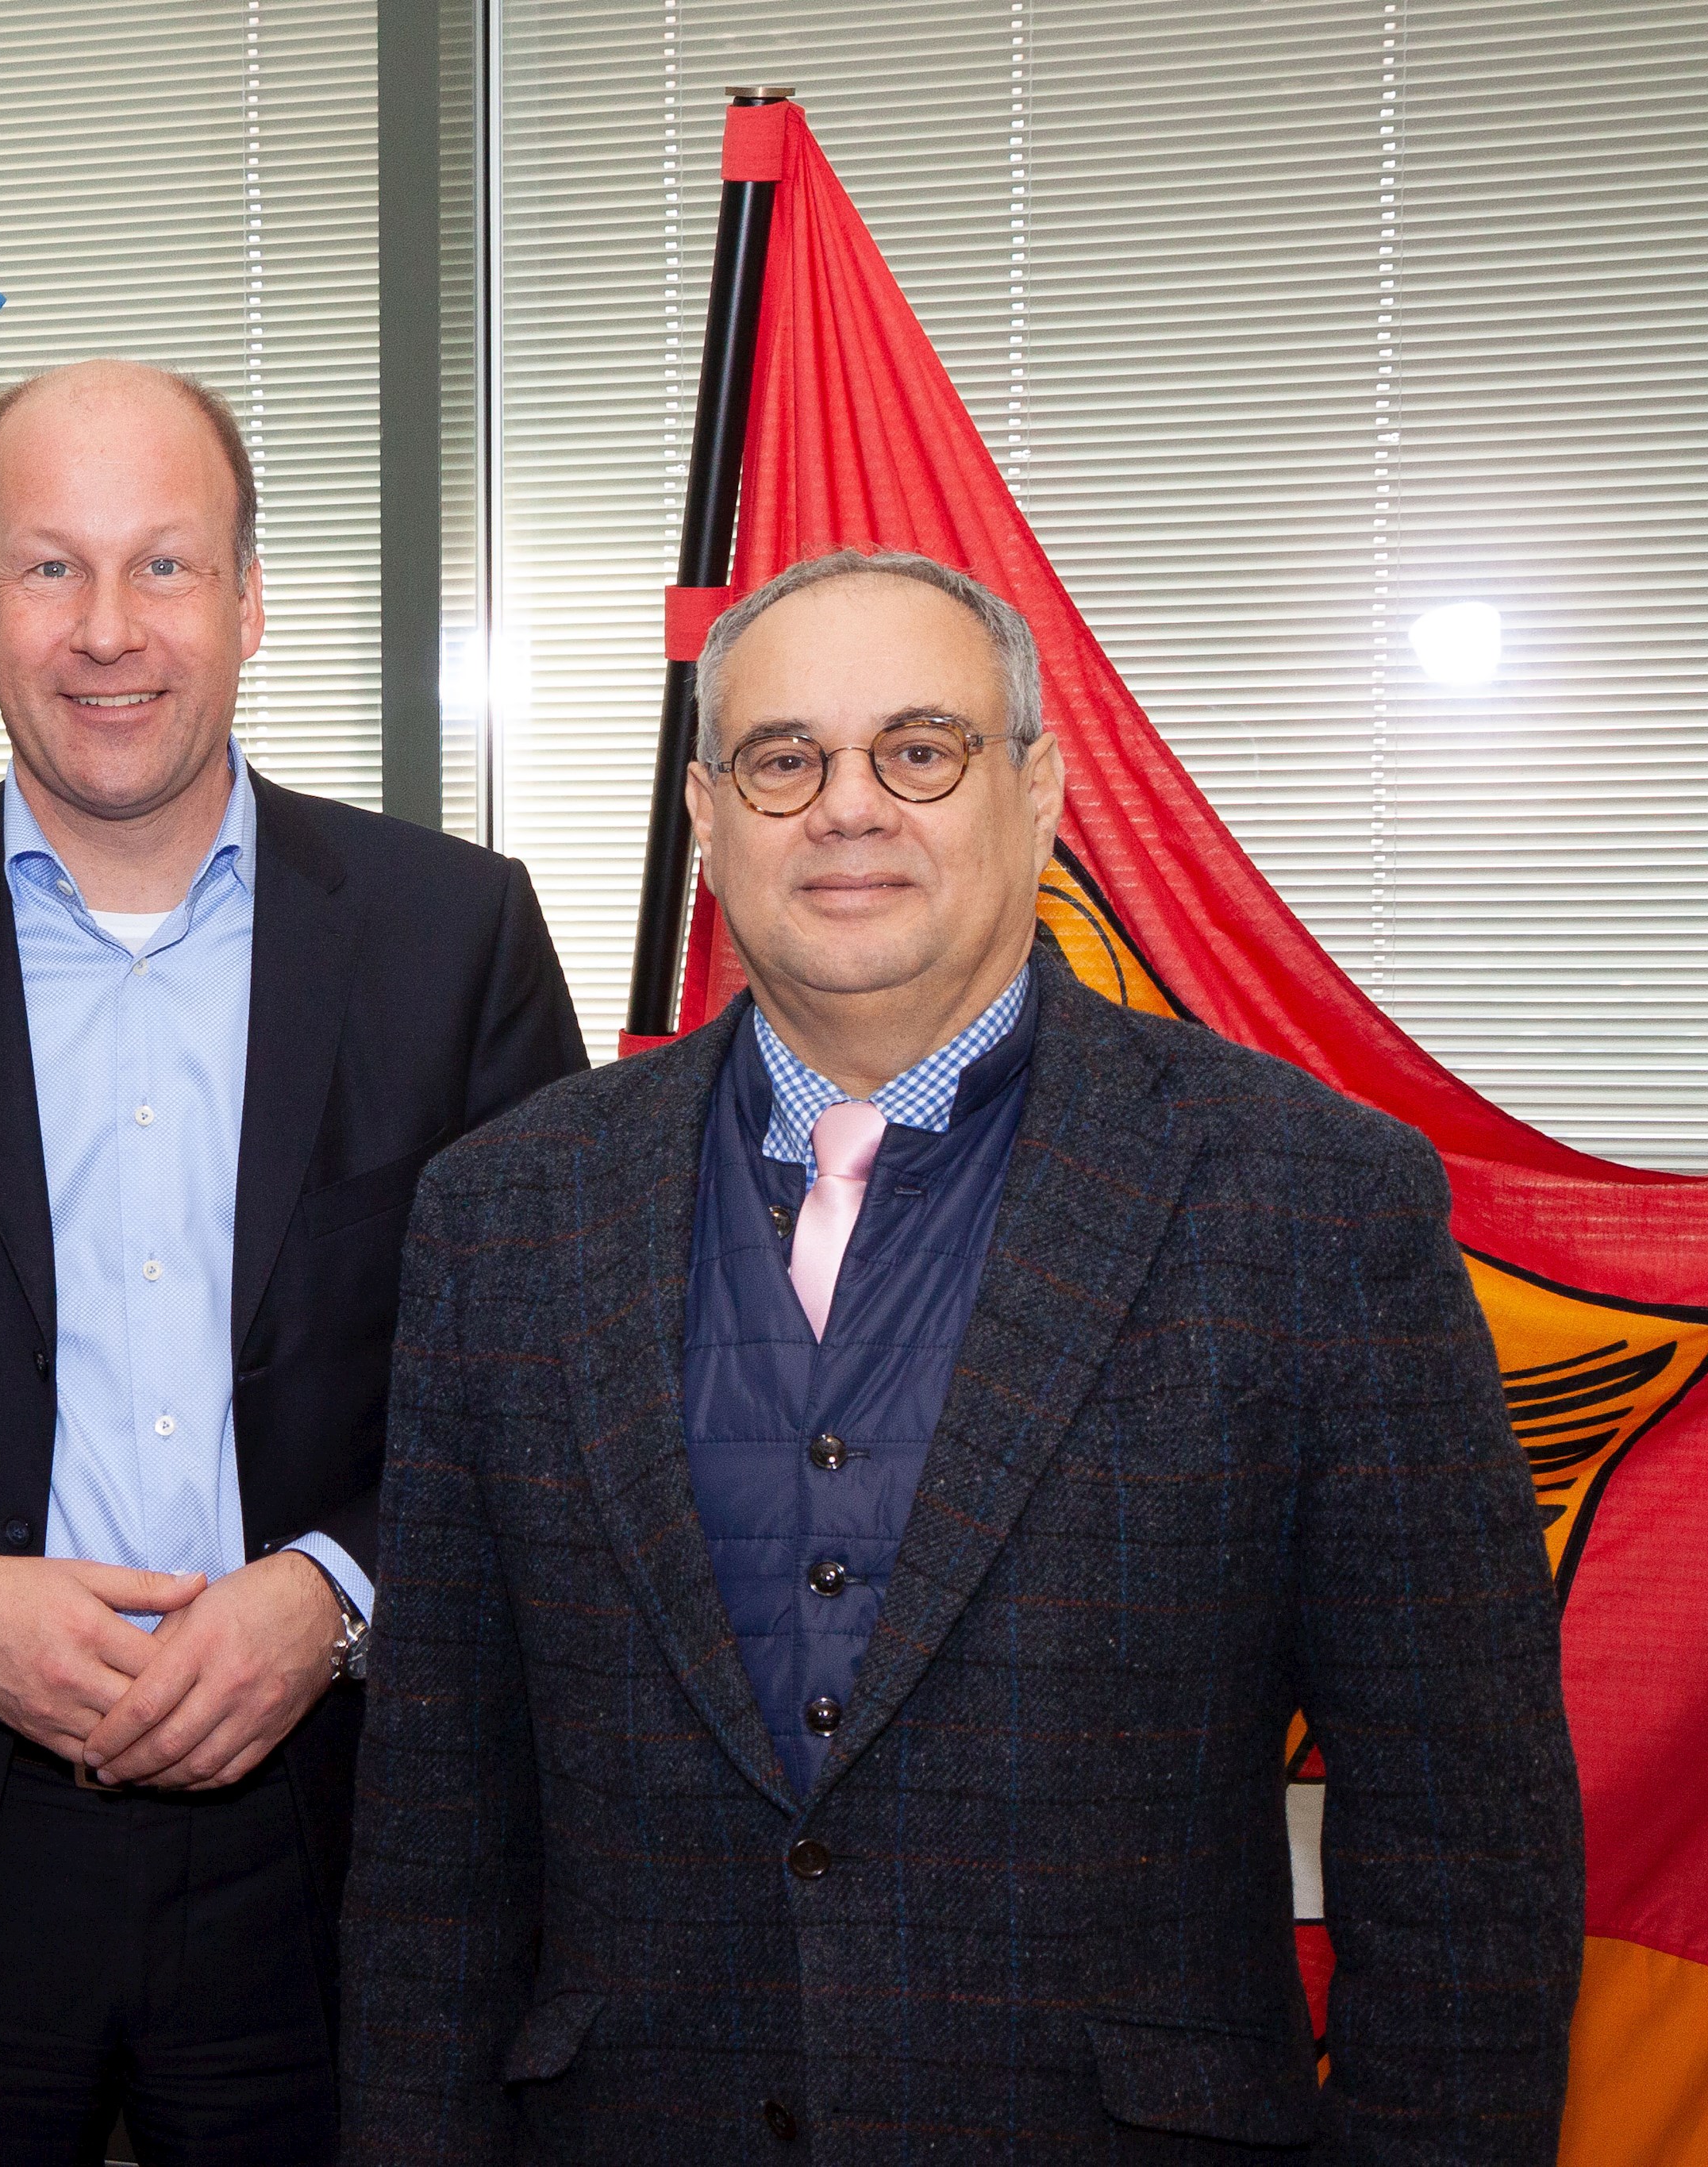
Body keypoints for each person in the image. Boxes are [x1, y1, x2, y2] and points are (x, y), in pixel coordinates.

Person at [337, 548, 1585, 2163]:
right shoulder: (504, 1211)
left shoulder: (1306, 1200)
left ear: (1038, 790)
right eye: (782, 759)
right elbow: (436, 1828)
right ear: (706, 819)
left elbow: (1457, 1831)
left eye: (916, 750)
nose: (846, 807)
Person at [0, 359, 586, 2165]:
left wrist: (325, 1597)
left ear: (249, 601)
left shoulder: (449, 935)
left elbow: (553, 1397)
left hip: (334, 1868)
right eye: (48, 570)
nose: (107, 632)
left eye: (162, 567)